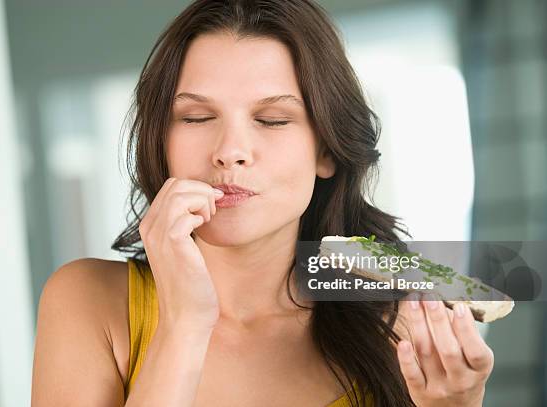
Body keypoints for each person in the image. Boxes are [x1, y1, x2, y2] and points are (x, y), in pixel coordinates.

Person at [31, 1, 495, 406]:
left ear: (327, 150)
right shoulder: (88, 301)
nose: (230, 149)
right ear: (160, 142)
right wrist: (184, 324)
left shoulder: (397, 323)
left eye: (271, 120)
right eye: (196, 117)